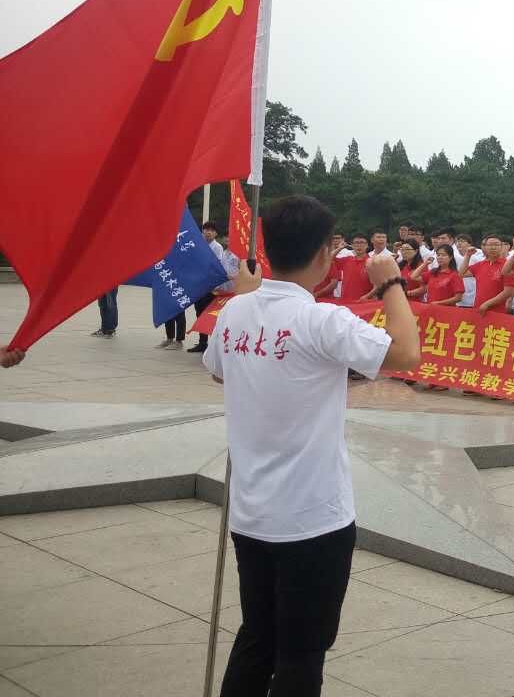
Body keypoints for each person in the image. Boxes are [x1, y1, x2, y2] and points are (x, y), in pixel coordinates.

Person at [206, 195, 420, 697]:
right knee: (302, 654)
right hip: (313, 522)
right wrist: (391, 282)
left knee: (257, 638)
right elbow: (407, 353)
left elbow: (218, 371)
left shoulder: (234, 311)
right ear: (325, 253)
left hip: (251, 516)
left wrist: (246, 301)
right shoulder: (322, 320)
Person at [188, 221, 233, 353]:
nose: (208, 232)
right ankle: (202, 342)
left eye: (211, 230)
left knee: (210, 315)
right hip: (199, 285)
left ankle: (213, 344)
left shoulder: (217, 247)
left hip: (212, 287)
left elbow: (215, 266)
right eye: (206, 230)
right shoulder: (199, 245)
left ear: (216, 234)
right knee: (199, 313)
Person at [334, 235, 374, 305]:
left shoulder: (372, 262)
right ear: (352, 245)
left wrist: (367, 296)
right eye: (356, 243)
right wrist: (340, 248)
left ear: (367, 245)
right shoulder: (347, 260)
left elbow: (379, 285)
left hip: (363, 303)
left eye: (362, 242)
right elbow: (329, 258)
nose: (359, 245)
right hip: (345, 302)